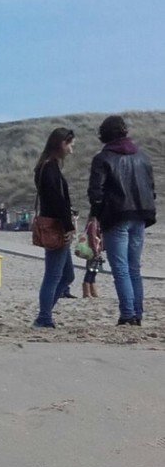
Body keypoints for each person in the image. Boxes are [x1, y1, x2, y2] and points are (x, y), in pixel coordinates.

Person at [87, 115, 156, 325]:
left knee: (121, 268)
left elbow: (96, 192)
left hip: (117, 215)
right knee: (134, 267)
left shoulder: (103, 158)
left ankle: (127, 314)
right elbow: (151, 189)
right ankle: (137, 313)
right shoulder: (142, 157)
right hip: (141, 214)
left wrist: (95, 216)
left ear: (104, 135)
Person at [32, 128, 77, 328]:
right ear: (61, 143)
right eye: (70, 145)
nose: (71, 150)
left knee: (67, 275)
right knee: (54, 274)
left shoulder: (47, 166)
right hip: (56, 226)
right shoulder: (49, 168)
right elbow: (57, 201)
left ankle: (45, 314)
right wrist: (68, 226)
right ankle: (44, 317)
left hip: (55, 223)